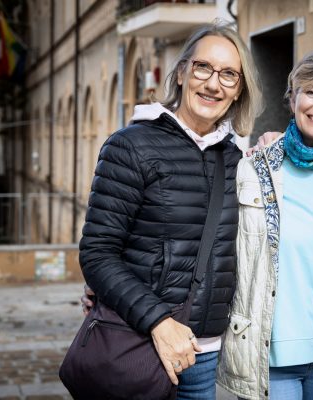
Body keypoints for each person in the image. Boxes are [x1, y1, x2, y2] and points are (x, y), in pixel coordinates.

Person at [78, 22, 261, 400]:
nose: (214, 84)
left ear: (239, 89)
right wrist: (158, 320)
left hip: (205, 356)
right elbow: (97, 253)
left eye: (229, 74)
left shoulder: (238, 158)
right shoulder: (130, 146)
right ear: (181, 72)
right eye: (202, 68)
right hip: (140, 343)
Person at [216, 49, 313, 400]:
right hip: (267, 356)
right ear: (293, 98)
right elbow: (214, 242)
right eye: (311, 92)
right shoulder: (253, 167)